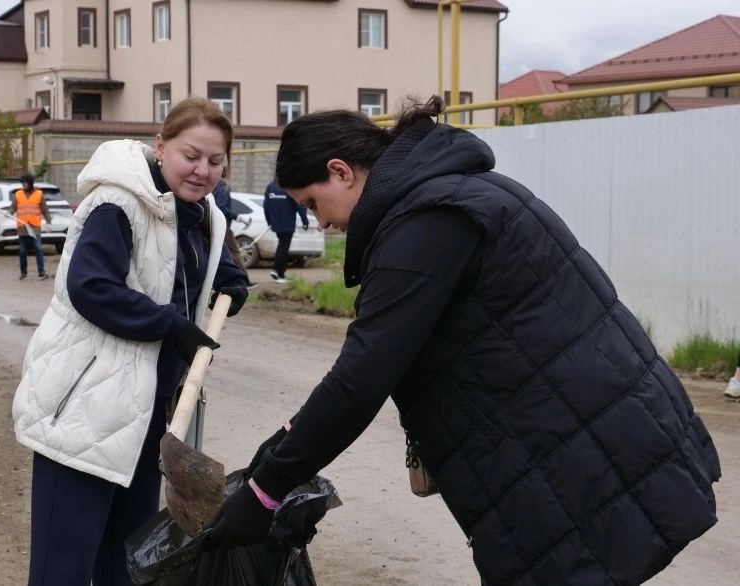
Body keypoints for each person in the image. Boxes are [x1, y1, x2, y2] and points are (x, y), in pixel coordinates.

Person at [204, 97, 721, 585]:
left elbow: (362, 377)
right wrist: (283, 445)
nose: (322, 222)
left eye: (314, 203)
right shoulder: (451, 194)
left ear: (341, 171)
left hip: (578, 441)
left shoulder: (427, 221)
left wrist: (265, 490)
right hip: (581, 426)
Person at [11, 96, 249, 585]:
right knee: (63, 570)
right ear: (160, 147)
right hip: (85, 410)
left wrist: (230, 277)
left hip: (146, 415)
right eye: (191, 156)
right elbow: (91, 287)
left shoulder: (201, 211)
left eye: (215, 160)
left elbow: (199, 264)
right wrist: (173, 327)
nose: (203, 170)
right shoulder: (117, 203)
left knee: (126, 566)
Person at [262, 177, 308, 283]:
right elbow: (299, 205)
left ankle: (277, 270)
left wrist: (269, 221)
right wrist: (304, 220)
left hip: (276, 223)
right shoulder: (289, 186)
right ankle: (280, 274)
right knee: (283, 248)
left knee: (281, 246)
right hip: (287, 223)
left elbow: (266, 205)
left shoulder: (271, 187)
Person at [8, 174, 52, 280]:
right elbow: (13, 207)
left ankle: (41, 272)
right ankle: (23, 272)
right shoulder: (18, 194)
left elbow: (45, 209)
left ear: (30, 183)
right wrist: (9, 213)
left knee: (38, 248)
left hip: (34, 227)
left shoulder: (39, 194)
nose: (23, 185)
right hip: (22, 227)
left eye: (25, 183)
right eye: (22, 183)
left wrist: (48, 222)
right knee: (23, 250)